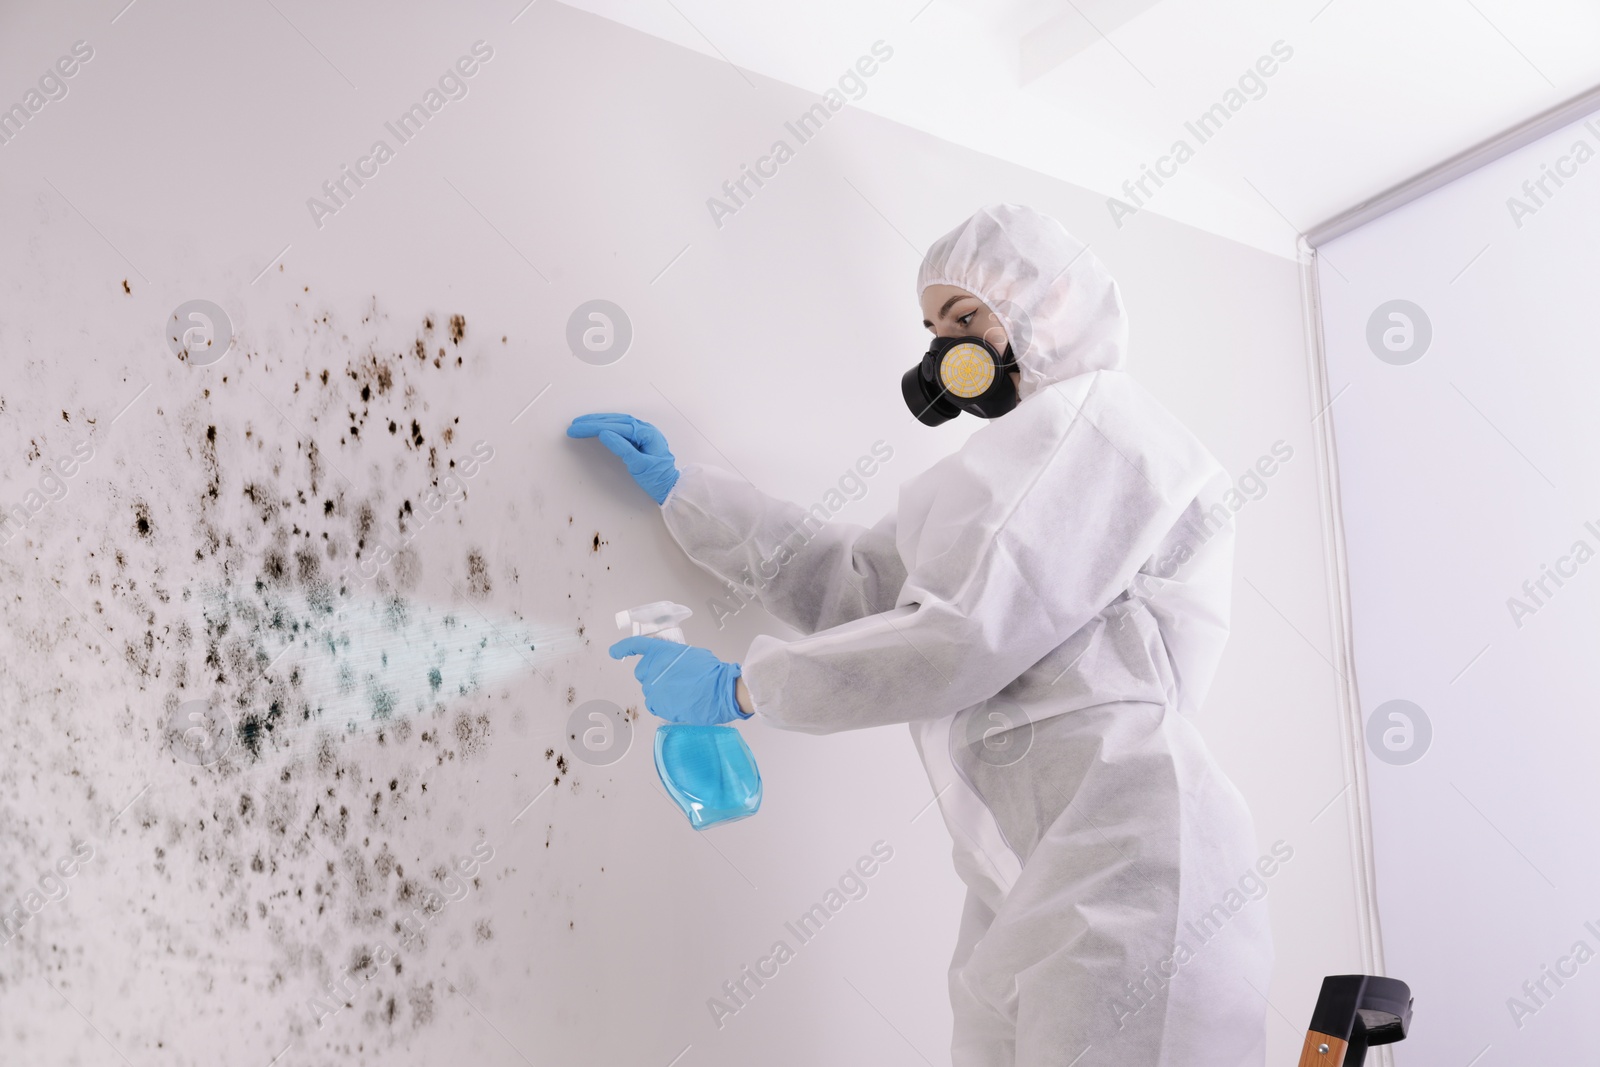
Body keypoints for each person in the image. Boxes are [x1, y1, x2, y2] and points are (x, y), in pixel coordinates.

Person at [568, 204, 1273, 1066]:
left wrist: (741, 688)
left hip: (1136, 857)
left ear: (1042, 312)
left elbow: (968, 635)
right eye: (933, 328)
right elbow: (862, 589)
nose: (945, 350)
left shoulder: (1110, 433)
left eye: (966, 319)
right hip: (1024, 868)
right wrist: (687, 494)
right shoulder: (990, 474)